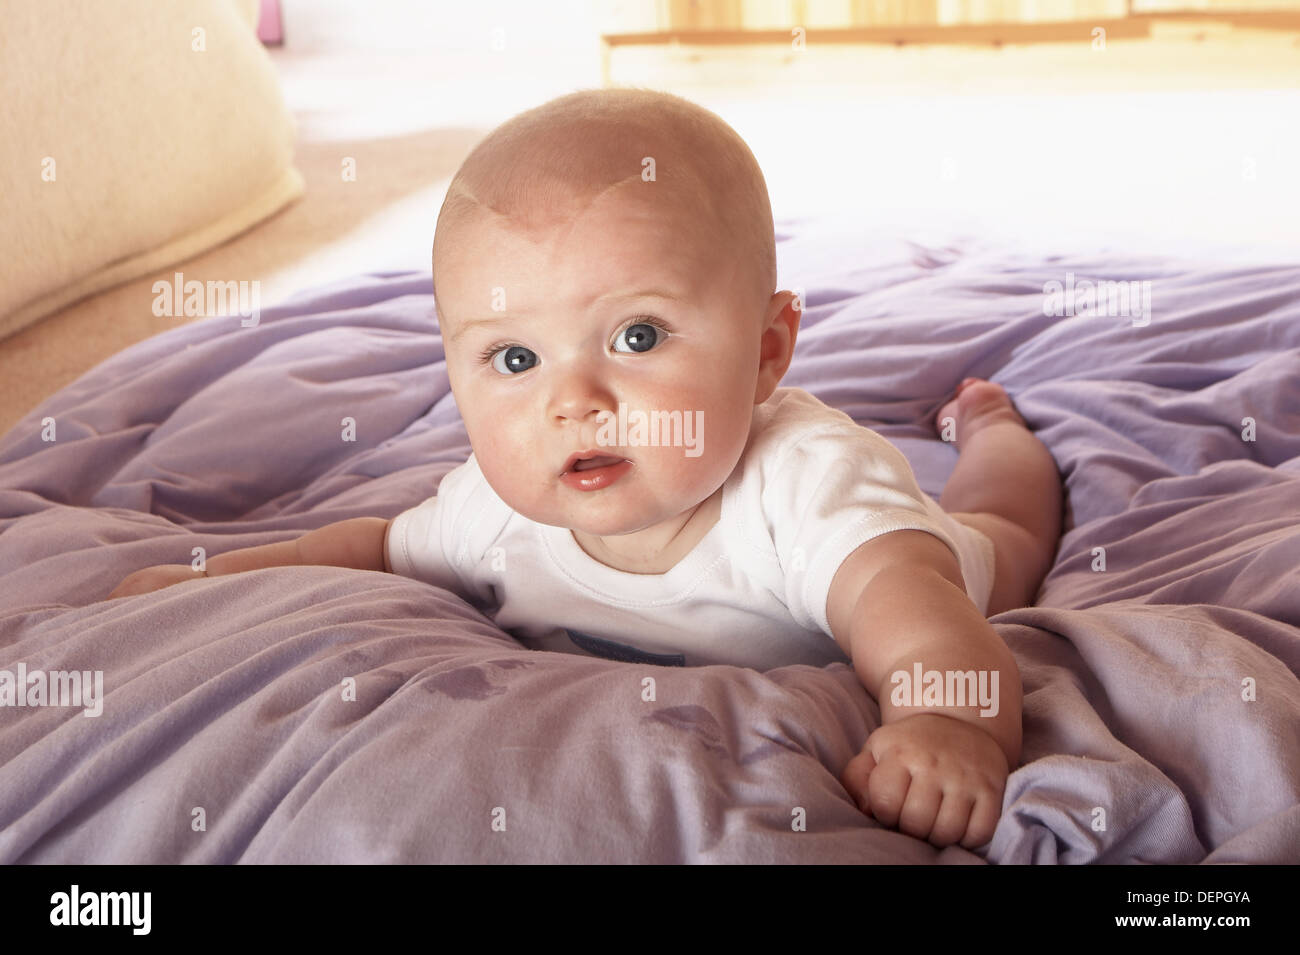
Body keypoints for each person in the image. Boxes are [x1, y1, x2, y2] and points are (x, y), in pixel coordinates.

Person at [110, 88, 1063, 851]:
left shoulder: (810, 486)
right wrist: (213, 577)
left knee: (1002, 530)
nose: (574, 401)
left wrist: (951, 727)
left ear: (769, 351)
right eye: (514, 359)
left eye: (636, 336)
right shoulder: (492, 510)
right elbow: (368, 547)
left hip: (947, 566)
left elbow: (926, 627)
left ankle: (989, 423)